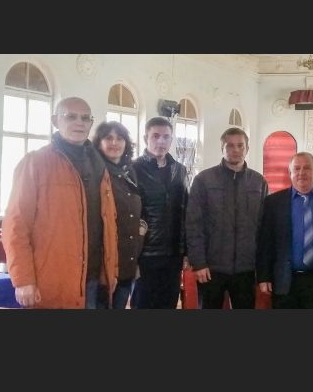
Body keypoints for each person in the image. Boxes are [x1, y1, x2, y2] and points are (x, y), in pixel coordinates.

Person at [2, 97, 118, 308]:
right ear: (55, 121)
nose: (79, 123)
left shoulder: (99, 164)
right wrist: (23, 279)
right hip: (53, 281)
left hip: (95, 281)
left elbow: (109, 222)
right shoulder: (35, 162)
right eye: (71, 116)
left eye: (85, 118)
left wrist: (112, 271)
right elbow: (16, 225)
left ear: (91, 123)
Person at [186, 128, 268, 309]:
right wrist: (199, 263)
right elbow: (193, 224)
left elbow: (263, 228)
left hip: (246, 268)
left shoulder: (259, 182)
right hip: (210, 267)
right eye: (230, 145)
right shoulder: (203, 180)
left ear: (247, 149)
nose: (235, 150)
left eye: (240, 145)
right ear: (222, 148)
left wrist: (262, 269)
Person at [256, 152, 313, 308]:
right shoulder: (274, 202)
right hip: (284, 281)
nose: (301, 173)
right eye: (297, 168)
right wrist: (263, 276)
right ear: (290, 173)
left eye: (307, 168)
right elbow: (265, 242)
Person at [131, 117, 188, 309]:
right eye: (155, 136)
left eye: (166, 137)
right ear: (145, 138)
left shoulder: (180, 170)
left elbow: (185, 211)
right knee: (143, 304)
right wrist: (133, 255)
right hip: (145, 254)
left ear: (171, 140)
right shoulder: (133, 169)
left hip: (173, 255)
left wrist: (186, 251)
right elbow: (129, 214)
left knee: (169, 304)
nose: (161, 141)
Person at [92, 121, 146, 309]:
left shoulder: (130, 172)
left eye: (120, 138)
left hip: (127, 261)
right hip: (103, 264)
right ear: (99, 143)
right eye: (108, 138)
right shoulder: (96, 172)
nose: (114, 143)